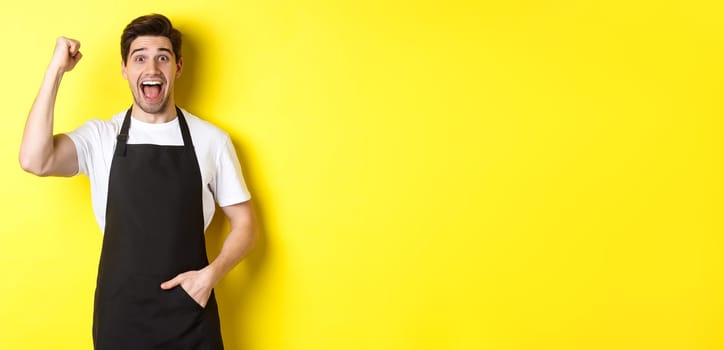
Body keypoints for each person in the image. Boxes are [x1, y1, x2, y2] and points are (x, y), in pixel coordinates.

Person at [19, 14, 256, 350]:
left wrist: (209, 277)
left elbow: (245, 224)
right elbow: (34, 160)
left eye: (163, 57)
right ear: (125, 69)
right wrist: (55, 70)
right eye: (140, 57)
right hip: (121, 318)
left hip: (191, 313)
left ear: (179, 67)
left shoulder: (211, 140)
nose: (152, 68)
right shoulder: (101, 137)